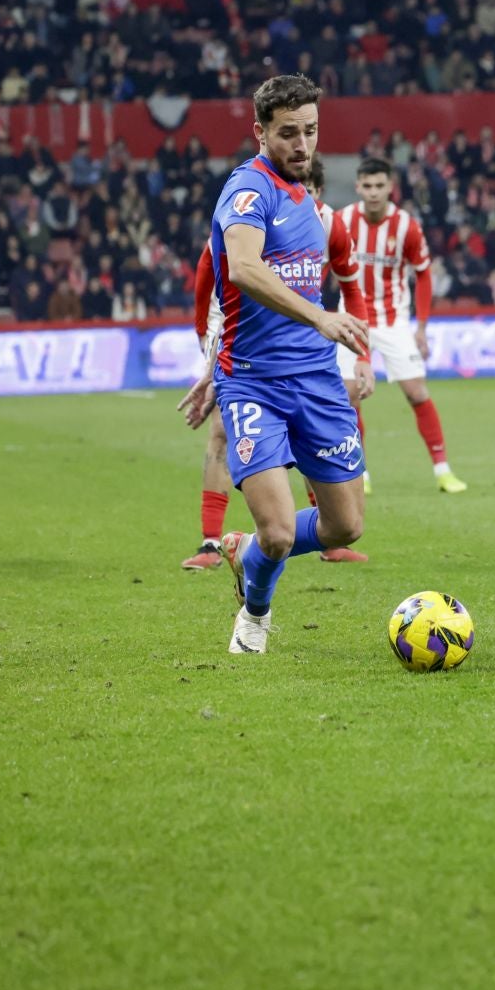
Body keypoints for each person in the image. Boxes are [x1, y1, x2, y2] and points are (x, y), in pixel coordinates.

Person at [175, 74, 369, 654]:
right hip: (256, 385)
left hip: (317, 382)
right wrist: (319, 317)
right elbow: (242, 269)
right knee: (281, 533)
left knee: (345, 526)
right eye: (288, 133)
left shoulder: (309, 202)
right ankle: (254, 617)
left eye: (310, 131)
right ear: (259, 132)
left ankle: (240, 549)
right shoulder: (247, 191)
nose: (302, 145)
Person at [183, 163, 372, 570]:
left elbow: (352, 288)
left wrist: (363, 357)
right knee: (219, 431)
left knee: (341, 505)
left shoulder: (328, 223)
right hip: (241, 336)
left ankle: (322, 526)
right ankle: (210, 541)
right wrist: (208, 349)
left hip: (302, 341)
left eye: (310, 189)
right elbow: (208, 272)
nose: (303, 195)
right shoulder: (254, 208)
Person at [332, 157, 467, 495]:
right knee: (350, 397)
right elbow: (322, 269)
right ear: (358, 187)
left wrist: (421, 326)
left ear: (390, 186)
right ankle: (359, 473)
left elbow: (422, 273)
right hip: (351, 320)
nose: (374, 192)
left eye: (380, 185)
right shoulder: (342, 221)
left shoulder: (407, 225)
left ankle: (443, 470)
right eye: (368, 186)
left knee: (417, 392)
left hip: (393, 321)